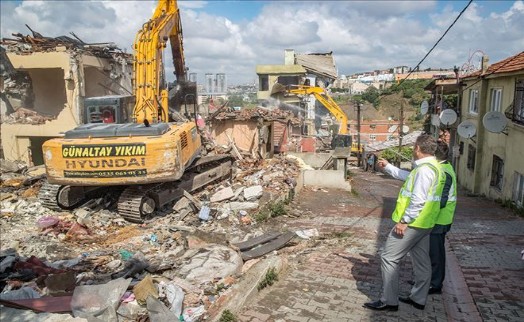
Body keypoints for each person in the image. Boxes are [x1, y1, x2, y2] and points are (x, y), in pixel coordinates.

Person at [363, 134, 445, 311]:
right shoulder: (433, 167)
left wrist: (404, 221)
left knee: (389, 257)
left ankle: (389, 300)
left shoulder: (424, 170)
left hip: (413, 224)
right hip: (425, 224)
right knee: (422, 261)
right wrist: (389, 167)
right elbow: (408, 177)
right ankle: (418, 299)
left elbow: (418, 199)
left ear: (417, 149)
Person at [429, 141, 457, 294]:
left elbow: (442, 200)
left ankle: (435, 284)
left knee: (436, 253)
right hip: (438, 218)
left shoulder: (444, 172)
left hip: (440, 219)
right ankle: (429, 280)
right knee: (431, 252)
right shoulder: (443, 167)